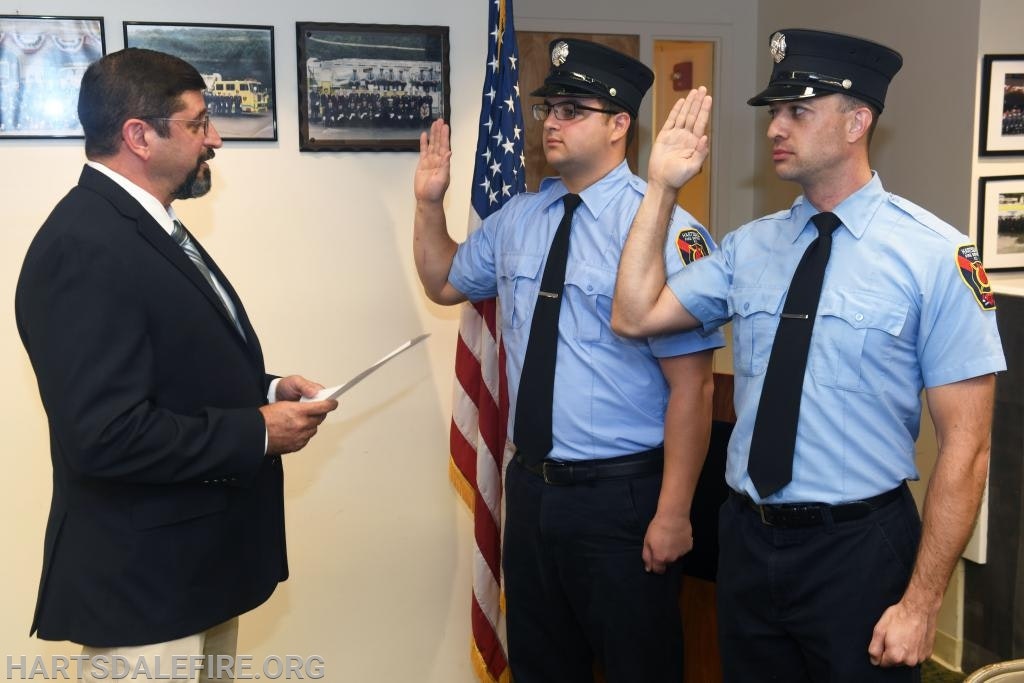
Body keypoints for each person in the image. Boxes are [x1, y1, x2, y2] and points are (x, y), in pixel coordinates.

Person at [612, 28, 1006, 682]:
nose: (775, 127)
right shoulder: (748, 247)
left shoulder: (936, 255)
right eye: (773, 111)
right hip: (747, 535)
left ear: (857, 122)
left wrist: (921, 600)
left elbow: (968, 447)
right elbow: (633, 313)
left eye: (798, 110)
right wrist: (660, 189)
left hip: (857, 548)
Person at [15, 48, 338, 682]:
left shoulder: (147, 225)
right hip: (144, 589)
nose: (214, 138)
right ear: (139, 135)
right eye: (196, 124)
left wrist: (269, 389)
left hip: (196, 570)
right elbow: (104, 436)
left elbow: (172, 368)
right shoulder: (85, 245)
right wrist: (257, 431)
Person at [413, 38, 724, 682]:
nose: (551, 121)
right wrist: (427, 203)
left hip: (623, 495)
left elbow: (692, 390)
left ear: (619, 125)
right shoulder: (518, 219)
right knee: (542, 665)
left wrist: (673, 513)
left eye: (572, 109)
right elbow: (444, 282)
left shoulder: (669, 229)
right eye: (548, 107)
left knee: (638, 665)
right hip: (531, 489)